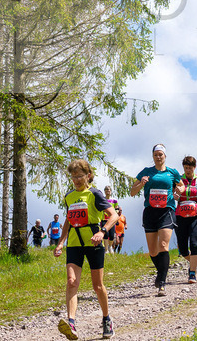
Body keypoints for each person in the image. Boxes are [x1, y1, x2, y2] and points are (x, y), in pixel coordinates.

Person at [54, 159, 118, 340]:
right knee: (71, 281)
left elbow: (113, 215)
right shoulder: (69, 196)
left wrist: (102, 232)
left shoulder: (95, 194)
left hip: (93, 243)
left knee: (97, 286)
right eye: (73, 177)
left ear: (88, 175)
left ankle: (106, 319)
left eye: (80, 176)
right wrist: (60, 242)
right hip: (74, 243)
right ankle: (71, 324)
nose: (76, 180)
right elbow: (68, 220)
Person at [130, 143, 183, 296]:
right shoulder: (146, 172)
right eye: (156, 155)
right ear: (153, 156)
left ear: (165, 156)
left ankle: (162, 282)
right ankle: (161, 272)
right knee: (153, 251)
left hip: (167, 210)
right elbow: (133, 192)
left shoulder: (172, 172)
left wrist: (179, 190)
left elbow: (181, 186)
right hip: (150, 211)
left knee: (164, 245)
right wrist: (141, 183)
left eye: (161, 154)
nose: (158, 157)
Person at [174, 155, 197, 283]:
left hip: (196, 215)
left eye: (190, 168)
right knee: (183, 248)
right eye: (186, 168)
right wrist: (175, 195)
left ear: (194, 168)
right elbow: (172, 194)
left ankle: (192, 273)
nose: (188, 170)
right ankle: (193, 262)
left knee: (194, 243)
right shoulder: (178, 180)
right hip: (180, 216)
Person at [102, 185, 120, 252]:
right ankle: (106, 249)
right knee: (106, 234)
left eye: (109, 190)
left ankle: (110, 247)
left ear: (111, 191)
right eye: (106, 190)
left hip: (112, 219)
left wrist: (115, 213)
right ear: (104, 191)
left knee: (112, 235)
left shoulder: (114, 200)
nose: (107, 192)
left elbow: (117, 209)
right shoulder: (103, 199)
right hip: (104, 219)